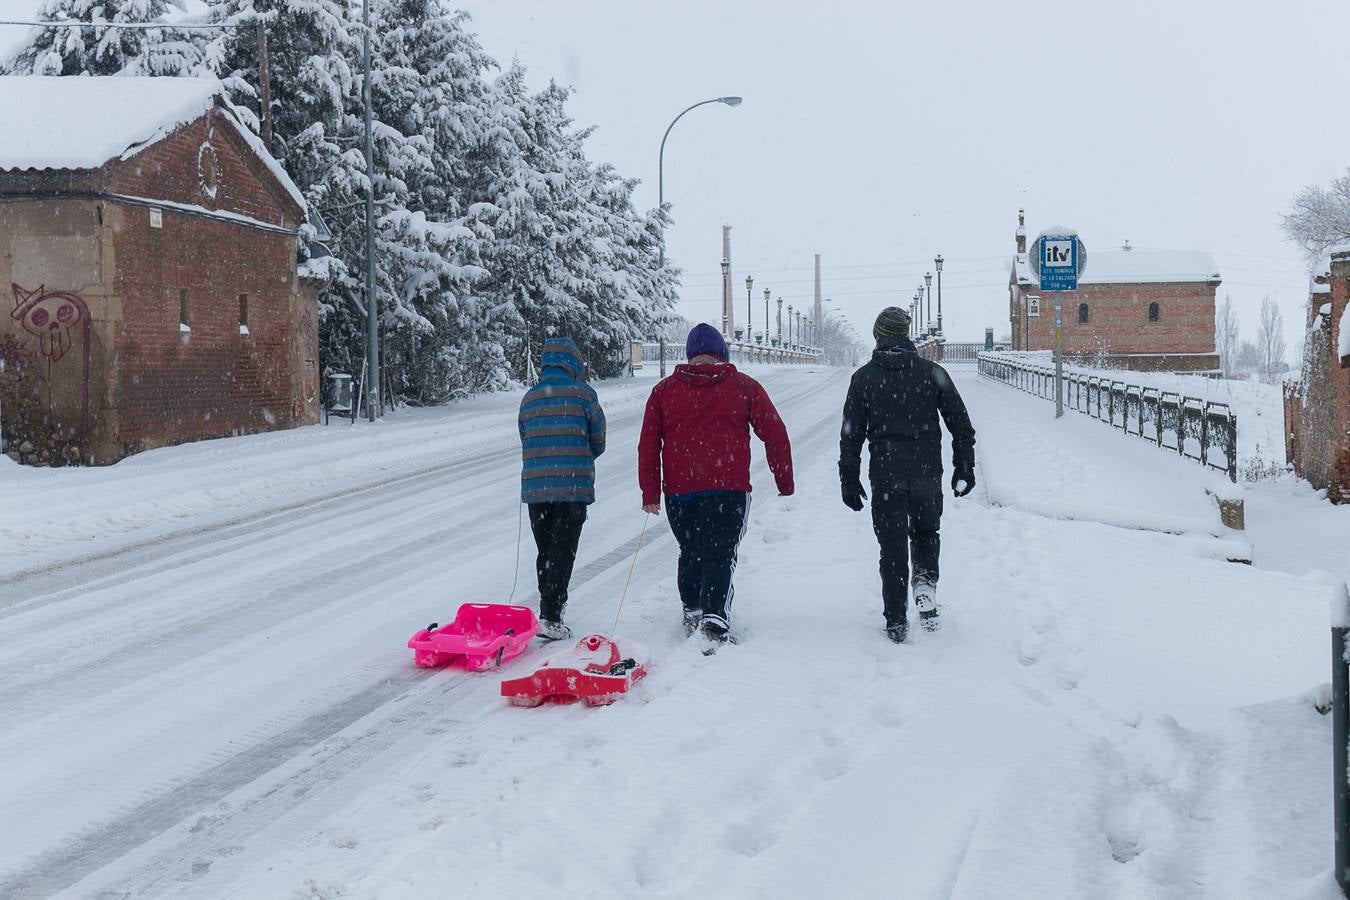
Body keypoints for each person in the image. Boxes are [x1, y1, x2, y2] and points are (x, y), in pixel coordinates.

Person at [638, 323, 794, 646]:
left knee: (691, 550)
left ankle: (693, 606)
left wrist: (650, 493)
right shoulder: (744, 387)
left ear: (690, 355)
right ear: (721, 354)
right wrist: (784, 480)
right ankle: (714, 617)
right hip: (729, 489)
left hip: (680, 493)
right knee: (721, 552)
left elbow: (648, 445)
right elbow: (775, 432)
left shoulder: (663, 392)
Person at [838, 307, 976, 644]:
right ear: (906, 334)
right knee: (927, 531)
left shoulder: (864, 378)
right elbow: (960, 423)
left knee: (892, 546)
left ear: (878, 335)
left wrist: (848, 478)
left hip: (885, 475)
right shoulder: (932, 373)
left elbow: (851, 434)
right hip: (927, 470)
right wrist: (964, 464)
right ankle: (925, 583)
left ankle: (896, 619)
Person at [519, 337, 606, 641]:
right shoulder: (584, 396)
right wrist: (577, 457)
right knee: (563, 548)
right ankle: (551, 615)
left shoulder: (529, 398)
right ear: (573, 363)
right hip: (572, 485)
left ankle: (549, 608)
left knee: (546, 549)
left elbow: (524, 436)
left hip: (536, 488)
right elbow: (599, 440)